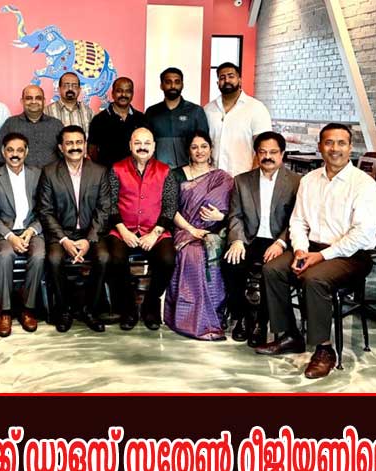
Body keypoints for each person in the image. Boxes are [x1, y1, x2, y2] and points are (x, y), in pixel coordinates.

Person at [255, 123, 376, 379]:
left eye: (341, 143)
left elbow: (361, 234)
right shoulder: (309, 180)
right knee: (273, 269)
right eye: (329, 142)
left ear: (350, 148)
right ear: (320, 146)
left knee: (314, 279)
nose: (335, 148)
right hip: (311, 247)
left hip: (351, 255)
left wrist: (321, 256)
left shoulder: (364, 184)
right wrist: (301, 250)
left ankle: (324, 350)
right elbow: (298, 221)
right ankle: (290, 335)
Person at [222, 131, 301, 347]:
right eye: (263, 152)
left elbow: (297, 219)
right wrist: (237, 240)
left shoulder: (296, 182)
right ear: (256, 154)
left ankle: (260, 323)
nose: (267, 157)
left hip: (280, 241)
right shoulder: (242, 181)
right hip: (250, 238)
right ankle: (242, 317)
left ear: (282, 154)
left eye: (273, 152)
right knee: (231, 264)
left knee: (270, 270)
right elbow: (235, 215)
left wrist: (281, 243)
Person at [37, 125, 112, 332]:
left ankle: (90, 309)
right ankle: (64, 310)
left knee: (104, 257)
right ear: (61, 147)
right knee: (54, 259)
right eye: (69, 143)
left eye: (79, 142)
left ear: (85, 145)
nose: (74, 147)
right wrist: (64, 240)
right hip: (61, 233)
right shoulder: (49, 172)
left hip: (91, 232)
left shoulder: (99, 171)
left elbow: (104, 209)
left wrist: (89, 239)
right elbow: (45, 211)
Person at [103, 127, 177, 331]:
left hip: (155, 231)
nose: (142, 147)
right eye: (137, 143)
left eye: (146, 143)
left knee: (168, 259)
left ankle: (150, 304)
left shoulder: (165, 171)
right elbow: (110, 204)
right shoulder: (116, 169)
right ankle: (128, 307)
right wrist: (123, 231)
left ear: (154, 146)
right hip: (122, 229)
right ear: (130, 145)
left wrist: (154, 234)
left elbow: (170, 206)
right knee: (115, 259)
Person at [163, 131, 235, 341]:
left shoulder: (222, 178)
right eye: (194, 147)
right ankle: (191, 319)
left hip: (216, 231)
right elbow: (170, 209)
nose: (199, 151)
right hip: (185, 229)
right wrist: (192, 230)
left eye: (204, 146)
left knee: (215, 252)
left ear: (210, 149)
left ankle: (216, 315)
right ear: (188, 150)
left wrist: (220, 216)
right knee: (194, 255)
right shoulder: (176, 175)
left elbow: (234, 211)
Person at [0, 132, 44, 337]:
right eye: (10, 150)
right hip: (4, 232)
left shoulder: (38, 175)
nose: (15, 154)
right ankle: (5, 311)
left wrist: (31, 231)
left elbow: (46, 210)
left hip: (31, 230)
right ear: (3, 151)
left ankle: (28, 308)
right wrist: (10, 236)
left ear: (26, 152)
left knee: (39, 255)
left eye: (19, 150)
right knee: (5, 255)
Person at [203, 62, 272, 176]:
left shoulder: (256, 108)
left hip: (243, 177)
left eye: (231, 76)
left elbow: (264, 146)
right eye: (222, 77)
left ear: (240, 80)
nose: (227, 80)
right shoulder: (208, 109)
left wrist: (252, 178)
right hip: (213, 177)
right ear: (218, 83)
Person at [144, 67, 209, 168]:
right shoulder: (151, 112)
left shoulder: (195, 111)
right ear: (161, 85)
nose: (173, 86)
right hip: (159, 171)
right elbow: (145, 143)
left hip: (189, 171)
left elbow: (204, 144)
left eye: (177, 82)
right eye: (168, 82)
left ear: (182, 85)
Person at [0, 85, 63, 169]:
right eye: (29, 98)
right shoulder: (10, 124)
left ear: (44, 101)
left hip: (52, 176)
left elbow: (64, 155)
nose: (33, 101)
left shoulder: (56, 124)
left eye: (38, 98)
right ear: (22, 101)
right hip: (19, 176)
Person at [87, 77, 149, 168]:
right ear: (112, 93)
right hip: (108, 172)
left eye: (128, 91)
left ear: (132, 94)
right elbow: (92, 151)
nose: (123, 94)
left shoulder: (142, 119)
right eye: (119, 91)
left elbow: (147, 147)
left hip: (135, 173)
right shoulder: (99, 119)